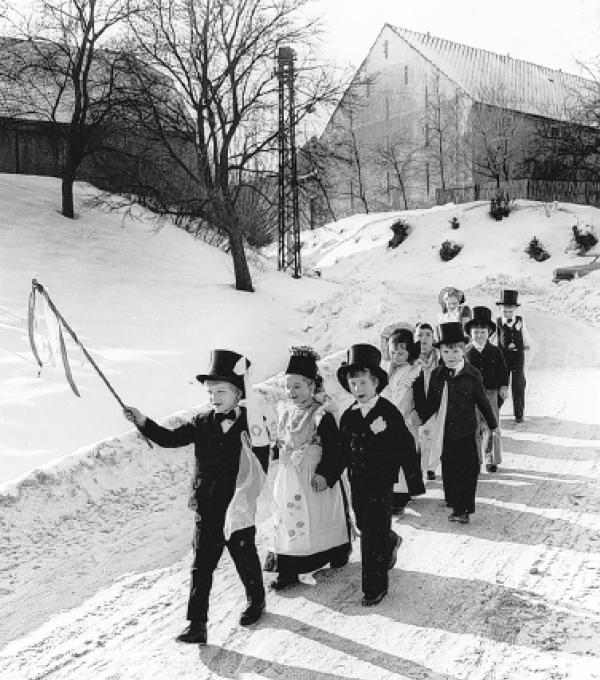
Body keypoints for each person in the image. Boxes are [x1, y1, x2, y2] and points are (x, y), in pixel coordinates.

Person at [124, 349, 269, 645]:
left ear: (238, 393)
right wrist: (142, 421)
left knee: (244, 555)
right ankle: (197, 624)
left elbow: (261, 462)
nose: (214, 397)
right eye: (210, 392)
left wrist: (248, 495)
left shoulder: (251, 423)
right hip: (206, 504)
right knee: (201, 565)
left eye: (221, 391)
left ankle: (256, 600)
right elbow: (170, 438)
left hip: (236, 506)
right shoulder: (201, 422)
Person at [264, 346, 352, 590]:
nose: (291, 392)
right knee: (289, 519)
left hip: (314, 475)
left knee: (316, 518)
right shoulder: (285, 412)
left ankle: (334, 551)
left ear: (312, 386)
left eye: (297, 386)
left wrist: (326, 474)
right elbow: (282, 440)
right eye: (288, 386)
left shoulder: (321, 414)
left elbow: (336, 449)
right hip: (289, 476)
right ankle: (288, 569)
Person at [338, 344, 417, 606]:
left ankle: (375, 587)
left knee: (373, 532)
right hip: (357, 482)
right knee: (364, 527)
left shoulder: (388, 411)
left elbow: (406, 446)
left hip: (382, 483)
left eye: (363, 383)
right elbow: (340, 451)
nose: (358, 389)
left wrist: (413, 481)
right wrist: (328, 475)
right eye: (353, 384)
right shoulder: (348, 417)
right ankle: (390, 541)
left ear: (375, 384)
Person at [415, 323, 498, 524]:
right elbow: (431, 404)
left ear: (463, 350)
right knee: (450, 467)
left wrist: (493, 425)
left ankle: (464, 509)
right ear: (440, 352)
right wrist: (420, 416)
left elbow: (482, 401)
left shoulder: (472, 374)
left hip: (467, 430)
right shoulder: (437, 375)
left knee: (468, 470)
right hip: (446, 431)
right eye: (446, 351)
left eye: (455, 350)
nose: (451, 355)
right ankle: (453, 500)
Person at [380, 327, 425, 513]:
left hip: (405, 421)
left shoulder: (414, 371)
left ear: (409, 353)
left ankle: (401, 496)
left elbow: (421, 396)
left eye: (401, 353)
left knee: (403, 458)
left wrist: (418, 412)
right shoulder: (386, 372)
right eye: (393, 353)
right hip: (386, 422)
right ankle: (389, 492)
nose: (396, 357)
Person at [465, 307, 509, 472]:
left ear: (489, 333)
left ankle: (492, 459)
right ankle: (475, 459)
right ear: (470, 333)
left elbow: (503, 371)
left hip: (490, 393)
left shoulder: (496, 351)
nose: (479, 335)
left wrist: (503, 386)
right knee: (474, 427)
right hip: (471, 397)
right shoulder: (466, 352)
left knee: (492, 426)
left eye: (482, 332)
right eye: (476, 332)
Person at [494, 289, 532, 423]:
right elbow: (495, 338)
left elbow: (525, 335)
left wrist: (526, 344)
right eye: (504, 311)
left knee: (518, 384)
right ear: (500, 309)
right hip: (503, 358)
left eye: (510, 311)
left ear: (515, 309)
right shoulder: (498, 323)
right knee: (501, 383)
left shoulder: (520, 321)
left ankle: (519, 414)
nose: (507, 314)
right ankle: (494, 411)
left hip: (517, 358)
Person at [414, 322, 441, 481]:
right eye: (419, 335)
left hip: (435, 401)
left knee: (433, 435)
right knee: (419, 437)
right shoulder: (411, 358)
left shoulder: (439, 357)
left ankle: (431, 467)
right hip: (417, 402)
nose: (423, 339)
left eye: (427, 335)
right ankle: (420, 469)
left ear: (433, 338)